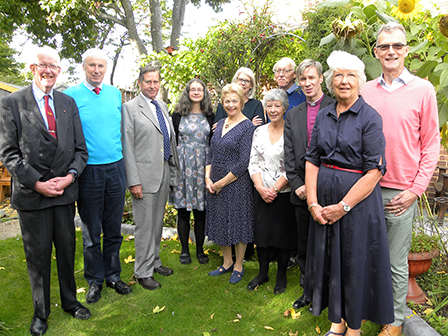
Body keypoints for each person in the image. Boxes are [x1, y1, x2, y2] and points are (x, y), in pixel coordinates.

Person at [0, 46, 90, 335]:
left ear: (60, 71)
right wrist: (37, 182)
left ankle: (70, 302)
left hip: (64, 193)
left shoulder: (67, 102)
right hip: (32, 195)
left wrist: (70, 177)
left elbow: (80, 150)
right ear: (32, 68)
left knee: (66, 251)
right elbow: (9, 153)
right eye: (43, 65)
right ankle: (41, 313)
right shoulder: (12, 103)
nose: (48, 71)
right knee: (37, 257)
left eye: (54, 66)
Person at [304, 50, 394, 336]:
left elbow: (374, 172)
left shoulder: (370, 118)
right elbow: (312, 159)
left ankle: (353, 327)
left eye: (351, 76)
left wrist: (342, 206)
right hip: (323, 203)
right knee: (330, 261)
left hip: (357, 207)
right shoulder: (325, 115)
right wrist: (313, 203)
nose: (344, 81)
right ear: (330, 81)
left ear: (360, 81)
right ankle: (337, 322)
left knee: (353, 264)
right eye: (339, 75)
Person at [362, 22, 440, 336]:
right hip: (364, 188)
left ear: (406, 50)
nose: (391, 51)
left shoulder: (423, 90)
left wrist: (416, 189)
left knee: (395, 262)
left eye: (397, 45)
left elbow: (431, 143)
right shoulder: (365, 90)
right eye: (384, 46)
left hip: (400, 191)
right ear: (376, 52)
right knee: (365, 255)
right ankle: (367, 309)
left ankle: (393, 322)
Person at [64, 48, 132, 304]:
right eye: (91, 65)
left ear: (106, 69)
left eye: (101, 66)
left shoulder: (115, 94)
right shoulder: (70, 95)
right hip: (88, 170)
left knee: (113, 228)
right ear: (84, 67)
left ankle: (113, 275)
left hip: (115, 168)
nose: (96, 70)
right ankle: (95, 280)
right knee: (92, 231)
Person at [122, 65, 180, 290]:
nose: (153, 86)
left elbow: (169, 139)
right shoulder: (130, 108)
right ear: (139, 83)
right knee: (145, 226)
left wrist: (173, 171)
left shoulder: (162, 106)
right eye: (148, 82)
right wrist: (133, 180)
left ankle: (154, 262)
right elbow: (127, 145)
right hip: (143, 176)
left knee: (156, 224)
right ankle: (142, 272)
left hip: (163, 171)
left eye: (156, 82)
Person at [284, 59, 335, 309]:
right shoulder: (293, 115)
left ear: (321, 79)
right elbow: (290, 156)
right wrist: (297, 184)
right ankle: (307, 291)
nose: (307, 83)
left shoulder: (336, 107)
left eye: (311, 78)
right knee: (304, 245)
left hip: (331, 190)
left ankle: (328, 292)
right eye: (302, 79)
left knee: (329, 245)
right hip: (302, 192)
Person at [247, 89, 296, 294]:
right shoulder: (258, 131)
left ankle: (281, 276)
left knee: (283, 237)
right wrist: (260, 188)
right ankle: (262, 273)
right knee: (263, 235)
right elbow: (253, 162)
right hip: (261, 192)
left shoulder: (292, 132)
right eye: (269, 106)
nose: (273, 110)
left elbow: (292, 165)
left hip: (283, 193)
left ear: (284, 108)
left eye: (277, 106)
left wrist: (274, 190)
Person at [206, 83, 255, 284]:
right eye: (227, 101)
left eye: (235, 101)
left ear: (242, 102)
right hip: (215, 181)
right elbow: (210, 152)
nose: (231, 105)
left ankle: (238, 265)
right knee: (220, 222)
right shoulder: (220, 124)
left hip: (236, 183)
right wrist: (208, 178)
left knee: (237, 223)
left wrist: (220, 183)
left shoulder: (247, 127)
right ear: (222, 103)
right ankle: (226, 263)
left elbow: (244, 161)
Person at [171, 78, 214, 264]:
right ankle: (184, 250)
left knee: (200, 211)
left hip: (203, 167)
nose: (196, 92)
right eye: (193, 89)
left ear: (204, 93)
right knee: (182, 210)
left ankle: (199, 250)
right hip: (183, 167)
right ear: (187, 92)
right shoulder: (177, 115)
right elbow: (173, 142)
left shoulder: (210, 115)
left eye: (200, 90)